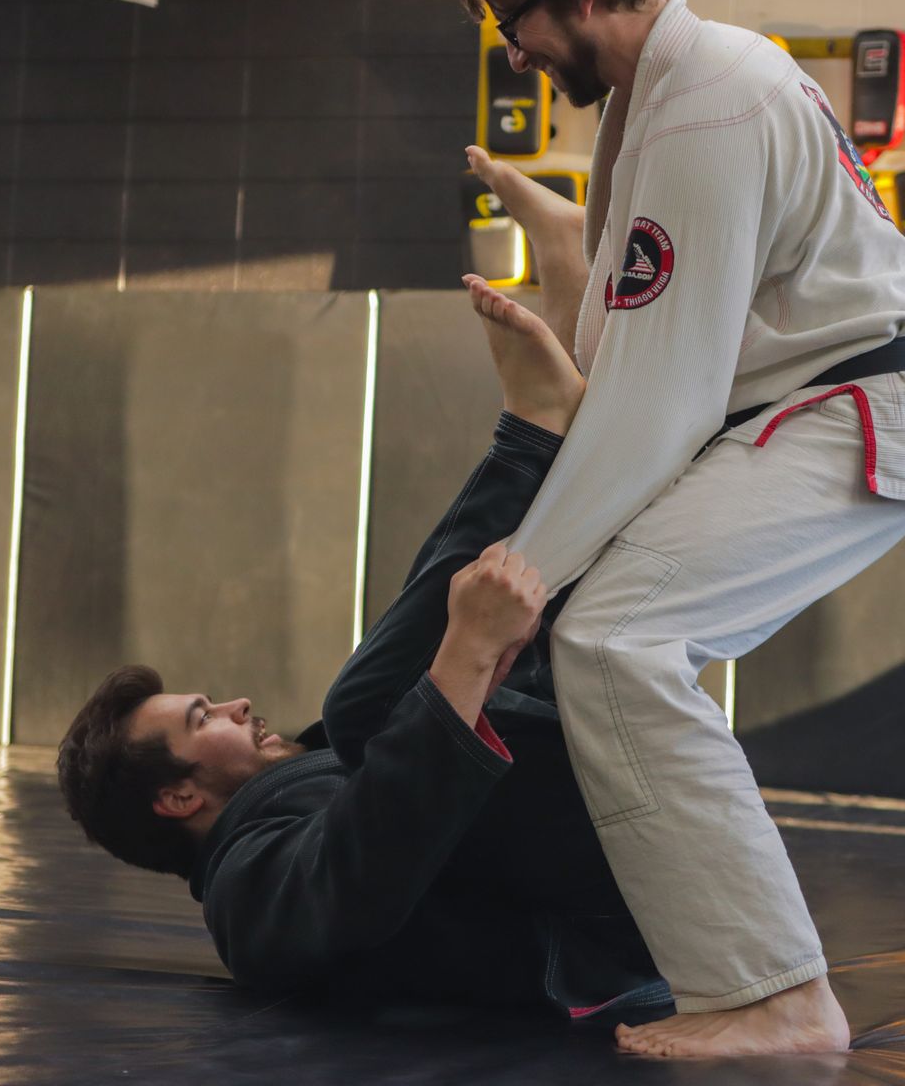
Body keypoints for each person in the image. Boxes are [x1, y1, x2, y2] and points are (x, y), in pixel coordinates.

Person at [446, 0, 905, 1056]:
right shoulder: (666, 95)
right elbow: (619, 355)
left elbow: (662, 397)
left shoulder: (705, 107)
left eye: (515, 19)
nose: (515, 52)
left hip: (847, 411)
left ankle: (779, 993)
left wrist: (517, 586)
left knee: (613, 637)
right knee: (613, 636)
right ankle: (726, 968)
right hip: (815, 407)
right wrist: (561, 261)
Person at [56, 287, 674, 1028]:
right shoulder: (244, 901)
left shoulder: (313, 779)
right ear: (181, 798)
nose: (237, 704)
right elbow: (356, 877)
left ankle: (575, 376)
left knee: (421, 685)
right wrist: (466, 651)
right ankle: (537, 433)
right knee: (371, 707)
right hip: (608, 947)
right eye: (202, 718)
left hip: (610, 861)